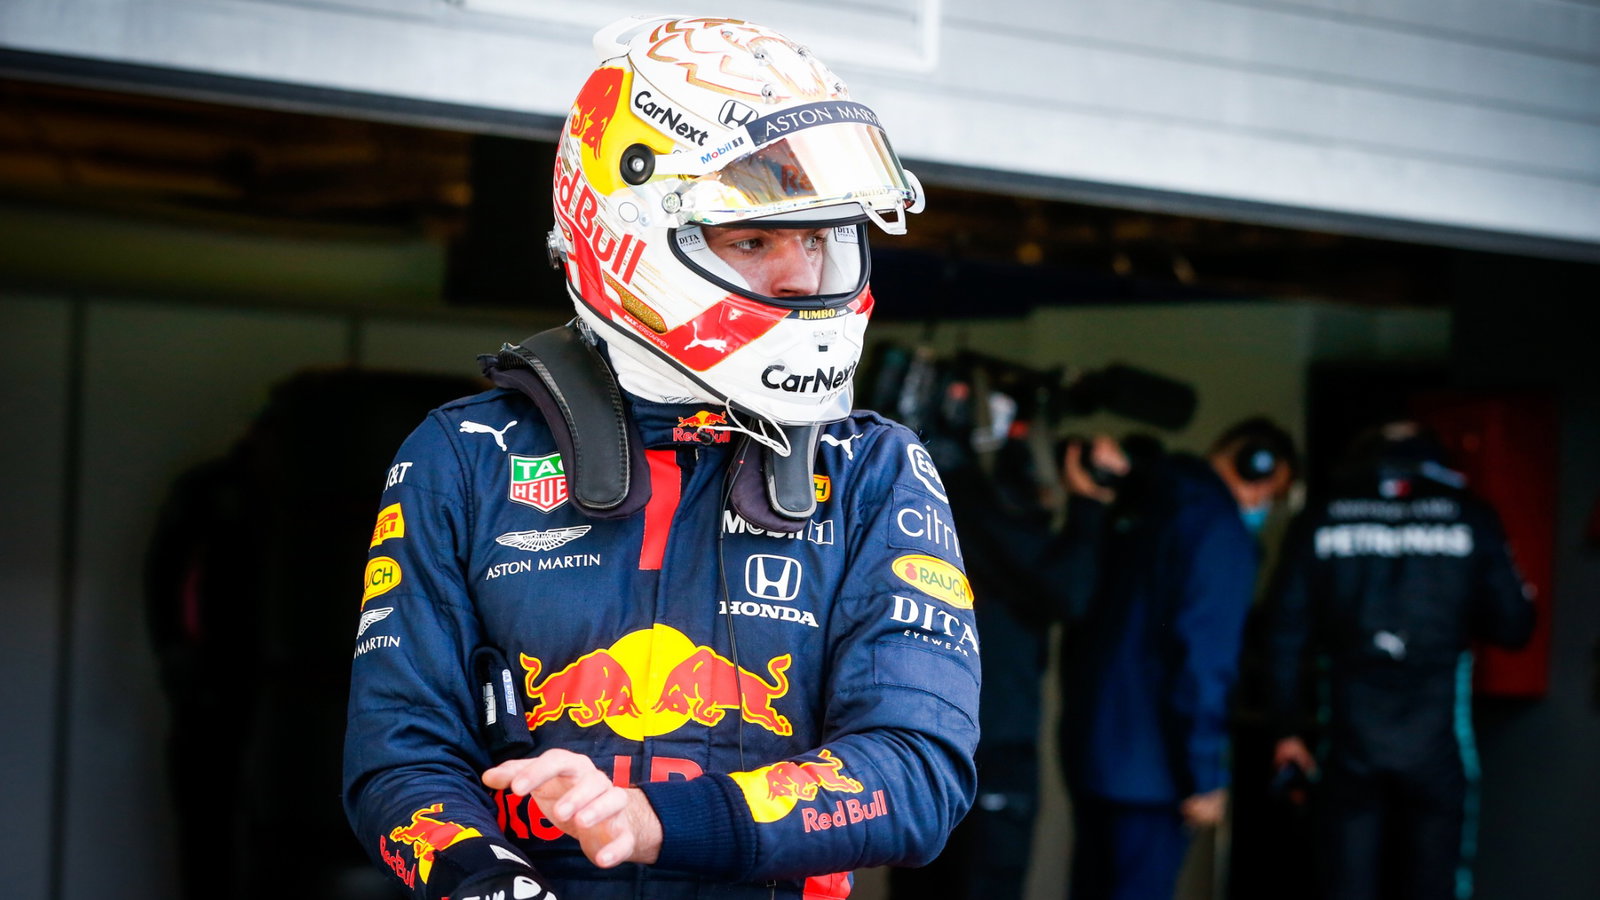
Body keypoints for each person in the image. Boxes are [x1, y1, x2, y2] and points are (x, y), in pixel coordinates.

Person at [342, 14, 979, 900]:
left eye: (822, 236)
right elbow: (399, 757)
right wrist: (485, 884)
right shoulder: (464, 457)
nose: (802, 276)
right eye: (754, 240)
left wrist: (653, 824)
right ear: (624, 237)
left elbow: (919, 774)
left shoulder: (876, 475)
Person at [1263, 419, 1534, 900]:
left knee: (1343, 886)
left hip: (1348, 744)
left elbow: (1283, 630)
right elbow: (1514, 626)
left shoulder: (1322, 514)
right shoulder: (1471, 514)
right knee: (1434, 888)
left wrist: (1285, 728)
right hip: (1436, 745)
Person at [1058, 417, 1298, 900]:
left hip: (1093, 752)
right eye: (1273, 491)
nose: (1265, 506)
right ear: (1258, 467)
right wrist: (1205, 774)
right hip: (1155, 774)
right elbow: (1204, 662)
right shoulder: (1221, 530)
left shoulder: (1144, 498)